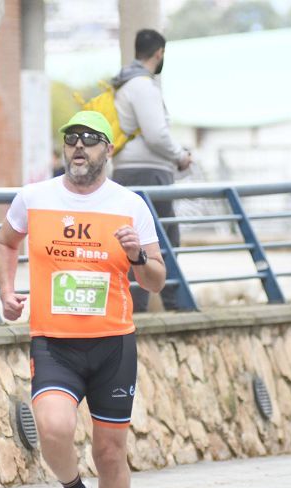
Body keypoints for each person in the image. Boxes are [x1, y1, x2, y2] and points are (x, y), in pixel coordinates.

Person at [0, 110, 166, 488]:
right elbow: (6, 243)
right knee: (52, 426)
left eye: (90, 140)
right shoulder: (34, 197)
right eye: (71, 139)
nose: (78, 148)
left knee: (110, 453)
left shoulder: (130, 205)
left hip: (113, 345)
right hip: (55, 343)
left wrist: (135, 256)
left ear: (107, 150)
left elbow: (155, 280)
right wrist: (7, 292)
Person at [112, 28, 191, 313]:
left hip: (126, 169)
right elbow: (157, 134)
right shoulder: (143, 86)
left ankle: (136, 305)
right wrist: (181, 156)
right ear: (159, 54)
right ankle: (169, 304)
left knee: (137, 239)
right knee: (164, 238)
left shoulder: (123, 84)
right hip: (149, 173)